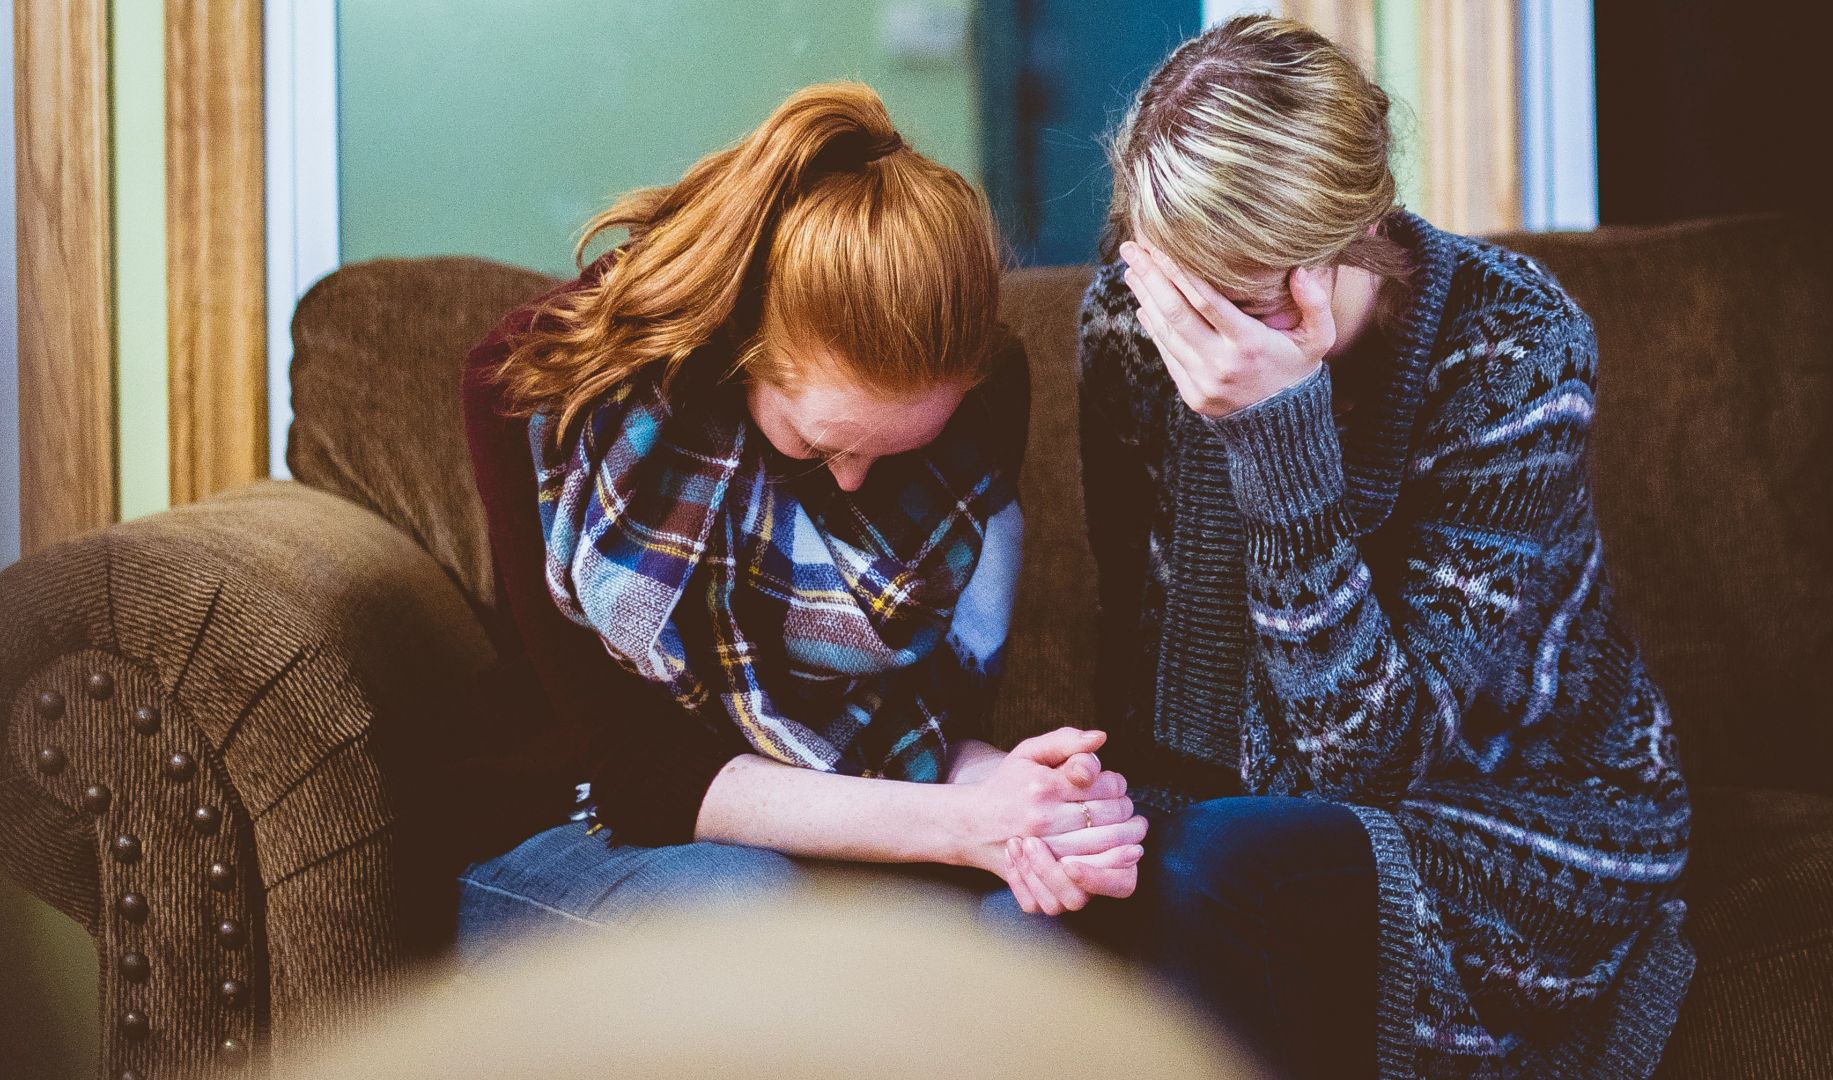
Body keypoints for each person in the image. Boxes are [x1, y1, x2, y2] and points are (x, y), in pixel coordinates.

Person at [1076, 16, 1693, 1078]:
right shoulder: (1133, 328)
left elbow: (1366, 764)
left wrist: (1279, 439)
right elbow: (1149, 662)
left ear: (1352, 237)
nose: (1195, 335)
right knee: (1035, 909)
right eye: (1175, 286)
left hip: (1514, 809)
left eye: (1243, 294)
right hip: (1236, 805)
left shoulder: (1517, 348)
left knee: (1219, 872)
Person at [453, 83, 1149, 959]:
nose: (856, 486)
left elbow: (920, 724)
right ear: (741, 344)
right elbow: (638, 778)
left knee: (1043, 929)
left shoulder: (980, 399)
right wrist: (959, 825)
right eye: (819, 447)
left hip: (848, 813)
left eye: (892, 454)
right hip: (578, 823)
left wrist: (1023, 800)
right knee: (750, 906)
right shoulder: (540, 392)